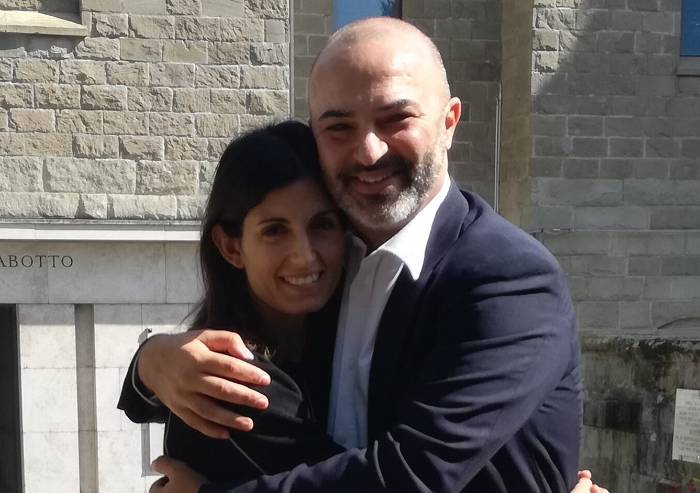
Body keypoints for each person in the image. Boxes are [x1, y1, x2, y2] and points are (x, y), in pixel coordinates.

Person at [120, 17, 600, 493]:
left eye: (396, 119)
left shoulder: (508, 278)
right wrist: (150, 363)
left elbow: (414, 474)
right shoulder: (333, 270)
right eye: (339, 128)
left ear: (449, 122)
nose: (368, 152)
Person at [119, 121, 347, 483]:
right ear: (231, 247)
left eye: (322, 224)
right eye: (275, 231)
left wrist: (149, 358)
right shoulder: (234, 378)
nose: (305, 256)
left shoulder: (339, 339)